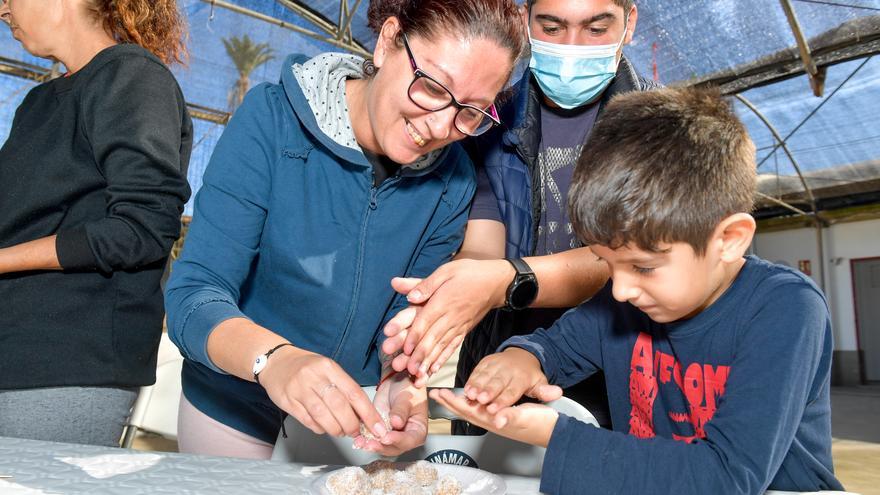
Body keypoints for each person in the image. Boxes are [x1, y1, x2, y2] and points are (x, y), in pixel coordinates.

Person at [431, 87, 845, 494]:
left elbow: (726, 477)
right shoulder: (627, 302)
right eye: (608, 263)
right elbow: (554, 347)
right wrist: (520, 360)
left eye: (644, 266)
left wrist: (556, 436)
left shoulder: (784, 310)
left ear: (731, 239)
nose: (622, 289)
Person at [163, 0, 525, 459]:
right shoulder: (271, 121)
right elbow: (193, 294)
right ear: (388, 41)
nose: (439, 126)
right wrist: (274, 360)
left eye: (471, 112)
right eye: (433, 87)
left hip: (348, 418)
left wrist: (399, 388)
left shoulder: (452, 184)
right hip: (230, 407)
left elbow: (402, 324)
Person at [382, 0, 656, 429]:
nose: (572, 47)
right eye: (551, 27)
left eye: (595, 30)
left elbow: (634, 260)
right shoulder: (486, 115)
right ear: (525, 20)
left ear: (629, 22)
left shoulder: (660, 128)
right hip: (497, 364)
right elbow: (481, 245)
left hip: (618, 368)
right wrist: (444, 297)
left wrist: (501, 282)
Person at [0, 0, 191, 447]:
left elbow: (141, 229)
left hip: (68, 362)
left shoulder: (131, 77)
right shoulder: (38, 101)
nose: (2, 9)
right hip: (16, 352)